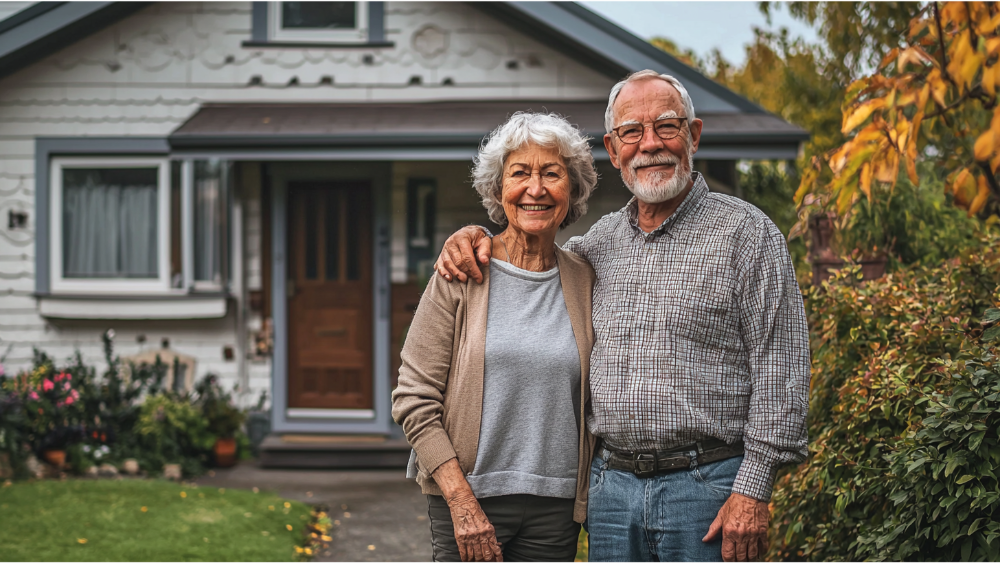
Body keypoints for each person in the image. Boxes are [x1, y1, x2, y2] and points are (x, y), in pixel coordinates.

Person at [433, 70, 811, 563]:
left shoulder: (747, 234)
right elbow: (530, 255)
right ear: (613, 150)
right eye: (632, 132)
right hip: (610, 493)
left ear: (693, 136)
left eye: (667, 127)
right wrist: (472, 235)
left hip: (708, 490)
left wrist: (754, 490)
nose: (649, 144)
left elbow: (781, 367)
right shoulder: (597, 246)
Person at [392, 112, 600, 563]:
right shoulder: (462, 271)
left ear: (573, 189)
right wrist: (461, 503)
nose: (536, 188)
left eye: (552, 173)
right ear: (497, 189)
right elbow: (413, 398)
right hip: (467, 497)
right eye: (520, 173)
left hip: (557, 506)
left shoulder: (585, 277)